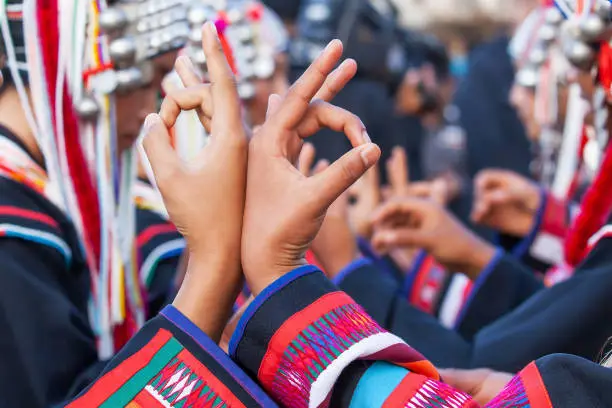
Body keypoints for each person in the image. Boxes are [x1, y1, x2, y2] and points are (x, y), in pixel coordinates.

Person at [0, 0, 190, 404]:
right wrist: (214, 263)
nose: (149, 109)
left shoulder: (49, 199)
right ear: (91, 67)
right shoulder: (10, 226)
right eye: (151, 79)